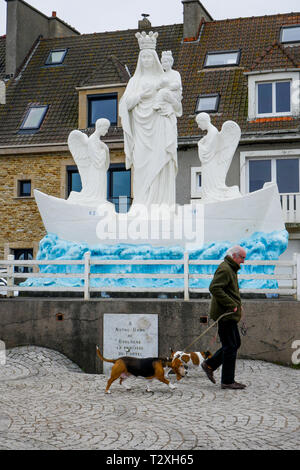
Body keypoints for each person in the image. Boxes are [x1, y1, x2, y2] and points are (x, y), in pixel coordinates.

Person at [119, 33, 181, 207]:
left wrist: (169, 107)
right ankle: (142, 203)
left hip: (160, 126)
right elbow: (124, 105)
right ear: (140, 59)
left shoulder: (163, 78)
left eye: (149, 57)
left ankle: (162, 203)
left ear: (154, 58)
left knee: (161, 161)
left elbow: (176, 104)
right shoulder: (134, 81)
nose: (146, 60)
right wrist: (140, 96)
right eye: (143, 57)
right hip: (140, 130)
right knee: (141, 166)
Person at [201, 245, 247, 390]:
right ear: (234, 256)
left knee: (234, 344)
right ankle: (227, 380)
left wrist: (236, 305)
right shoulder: (225, 269)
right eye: (242, 258)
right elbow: (214, 287)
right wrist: (231, 304)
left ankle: (210, 364)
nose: (243, 262)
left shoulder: (230, 268)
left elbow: (226, 290)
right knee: (230, 346)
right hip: (225, 315)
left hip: (229, 313)